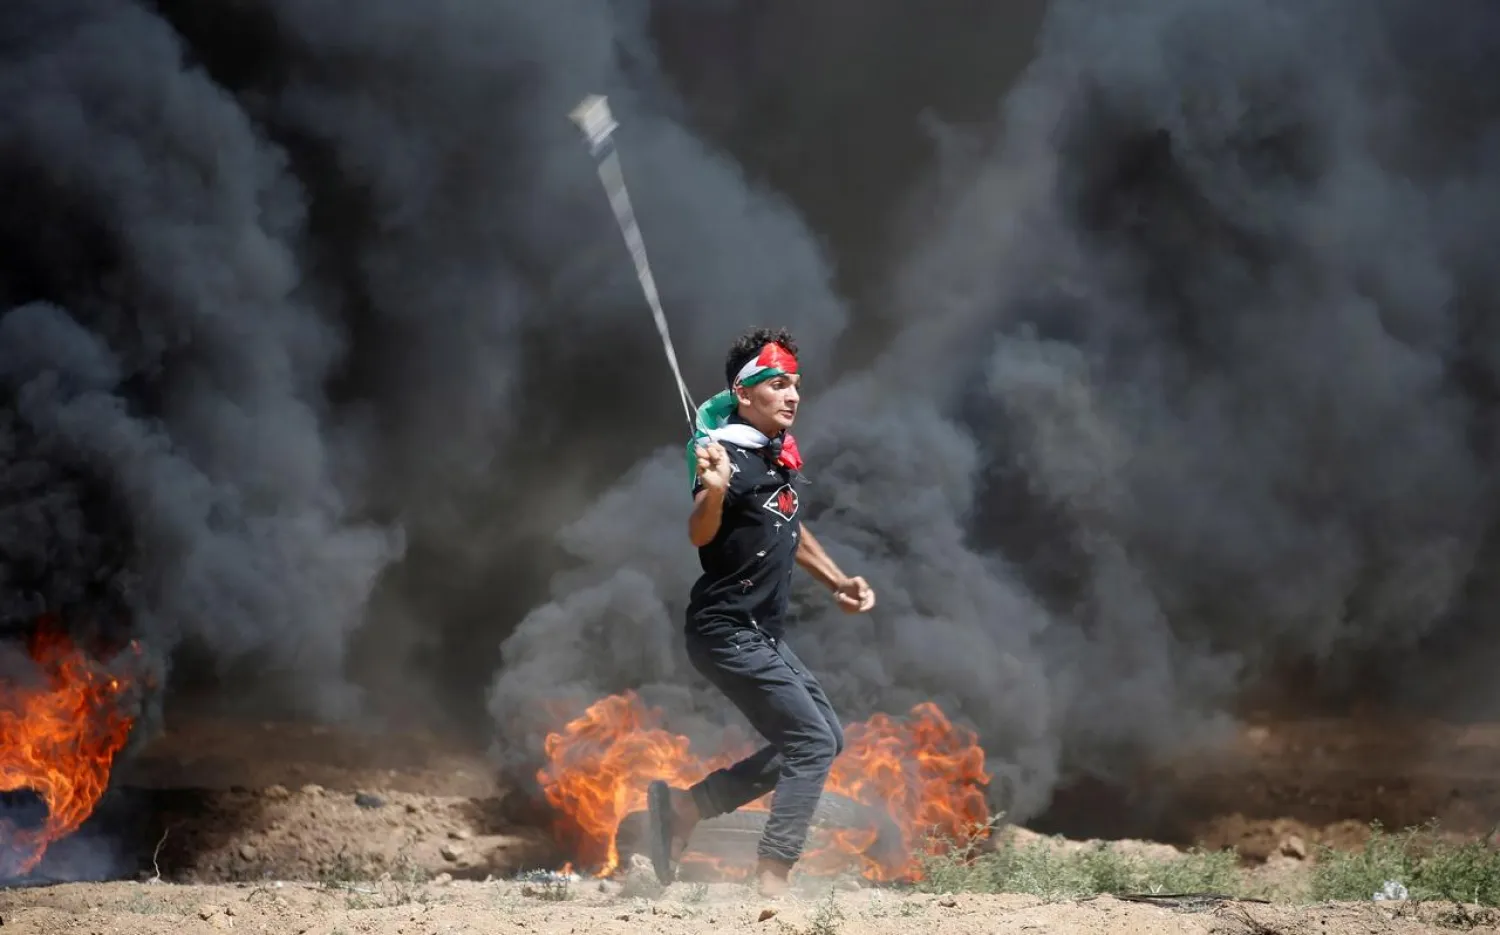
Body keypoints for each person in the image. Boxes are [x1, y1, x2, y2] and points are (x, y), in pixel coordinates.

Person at [646, 327, 877, 898]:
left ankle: (685, 808)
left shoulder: (774, 461)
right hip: (724, 631)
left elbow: (790, 529)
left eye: (796, 384)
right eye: (778, 385)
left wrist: (838, 581)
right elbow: (700, 530)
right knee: (811, 744)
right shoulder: (724, 456)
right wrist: (717, 489)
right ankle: (772, 881)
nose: (793, 395)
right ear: (743, 393)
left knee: (826, 737)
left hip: (761, 634)